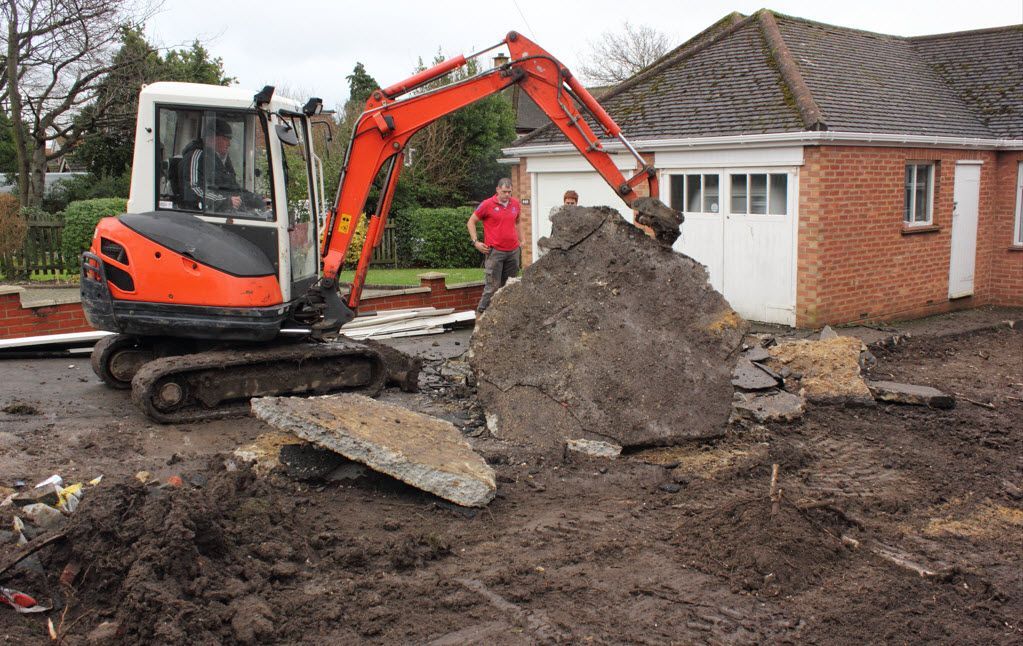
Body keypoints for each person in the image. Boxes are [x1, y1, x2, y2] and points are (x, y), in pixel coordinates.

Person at [179, 118, 263, 214]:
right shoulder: (196, 156)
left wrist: (257, 200)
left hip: (222, 212)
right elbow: (193, 190)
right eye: (225, 139)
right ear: (211, 138)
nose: (229, 144)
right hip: (201, 216)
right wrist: (225, 202)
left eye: (229, 139)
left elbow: (233, 189)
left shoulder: (221, 160)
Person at [468, 178, 522, 314]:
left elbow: (518, 221)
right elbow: (471, 222)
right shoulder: (487, 204)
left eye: (510, 192)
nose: (507, 195)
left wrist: (522, 240)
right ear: (497, 190)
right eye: (504, 192)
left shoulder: (515, 204)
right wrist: (476, 242)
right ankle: (480, 315)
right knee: (492, 286)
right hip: (495, 252)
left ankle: (504, 316)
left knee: (510, 286)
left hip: (513, 251)